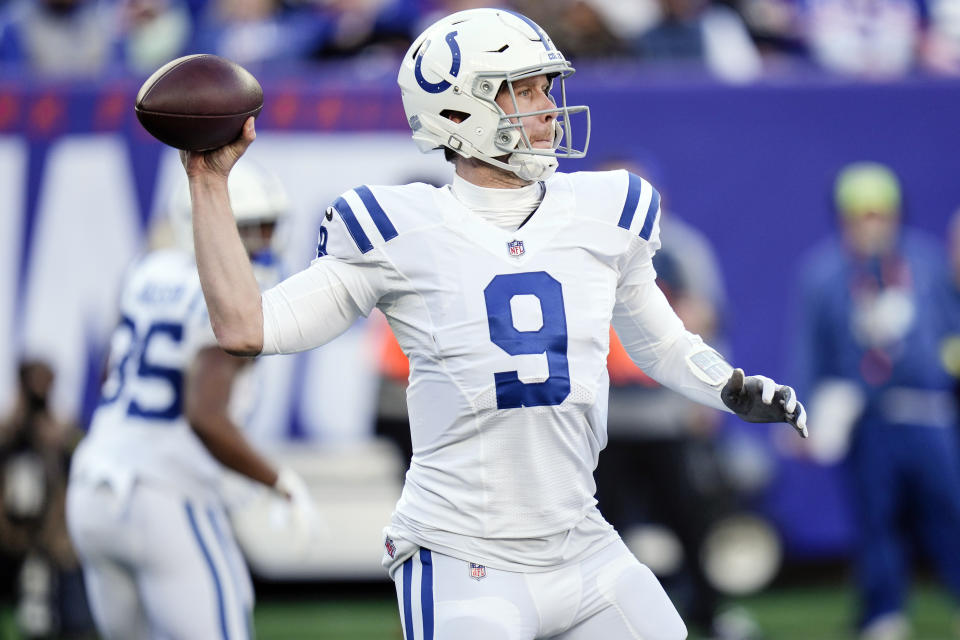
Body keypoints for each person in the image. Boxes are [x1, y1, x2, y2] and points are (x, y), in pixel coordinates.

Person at [181, 8, 806, 639]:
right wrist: (208, 181)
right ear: (458, 112)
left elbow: (659, 340)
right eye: (525, 91)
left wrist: (724, 385)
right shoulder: (398, 227)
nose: (548, 107)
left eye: (546, 88)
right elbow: (247, 327)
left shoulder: (603, 209)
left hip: (582, 543)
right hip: (461, 555)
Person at [64, 161, 316, 640]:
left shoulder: (147, 270)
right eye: (247, 229)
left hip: (93, 486)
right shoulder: (231, 297)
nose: (263, 242)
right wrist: (277, 480)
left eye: (268, 226)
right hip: (168, 494)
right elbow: (204, 415)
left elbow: (109, 374)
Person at [794, 162, 960, 640]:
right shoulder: (825, 272)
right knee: (875, 517)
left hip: (928, 412)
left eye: (879, 213)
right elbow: (810, 349)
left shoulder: (925, 262)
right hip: (867, 417)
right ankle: (884, 611)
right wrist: (802, 416)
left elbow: (951, 326)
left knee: (948, 510)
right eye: (858, 215)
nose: (870, 224)